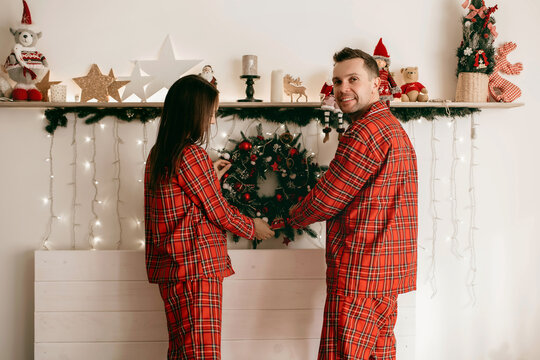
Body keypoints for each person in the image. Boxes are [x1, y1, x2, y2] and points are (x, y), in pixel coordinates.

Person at [289, 48, 418, 360]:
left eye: (353, 79)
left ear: (376, 84)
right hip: (387, 276)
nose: (342, 88)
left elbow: (326, 200)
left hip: (360, 273)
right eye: (337, 81)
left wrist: (291, 216)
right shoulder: (392, 128)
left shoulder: (365, 132)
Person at [144, 74, 274, 360]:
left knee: (181, 350)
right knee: (201, 353)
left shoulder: (160, 153)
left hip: (173, 267)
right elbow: (218, 211)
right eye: (211, 114)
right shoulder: (192, 156)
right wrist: (253, 227)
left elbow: (186, 205)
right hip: (196, 267)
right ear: (194, 113)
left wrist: (209, 177)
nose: (212, 121)